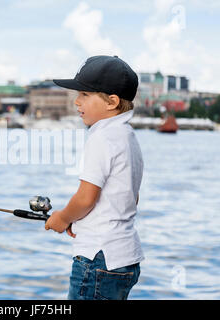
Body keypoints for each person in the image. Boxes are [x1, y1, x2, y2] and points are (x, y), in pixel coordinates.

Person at [45, 55, 144, 300]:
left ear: (111, 102)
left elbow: (86, 198)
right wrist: (80, 222)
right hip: (124, 258)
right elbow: (132, 198)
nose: (76, 101)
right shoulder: (128, 137)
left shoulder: (101, 138)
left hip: (97, 259)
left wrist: (62, 218)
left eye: (85, 95)